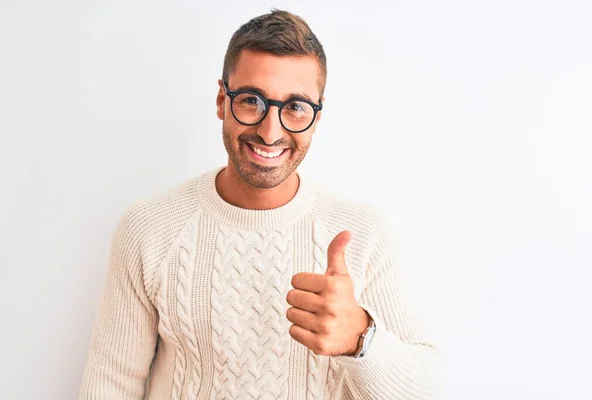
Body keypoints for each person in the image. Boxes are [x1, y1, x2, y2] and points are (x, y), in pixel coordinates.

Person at [79, 9, 444, 400]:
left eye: (295, 107)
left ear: (317, 117)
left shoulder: (364, 232)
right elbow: (111, 384)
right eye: (252, 100)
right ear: (222, 100)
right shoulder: (149, 228)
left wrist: (361, 338)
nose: (271, 132)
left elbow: (425, 386)